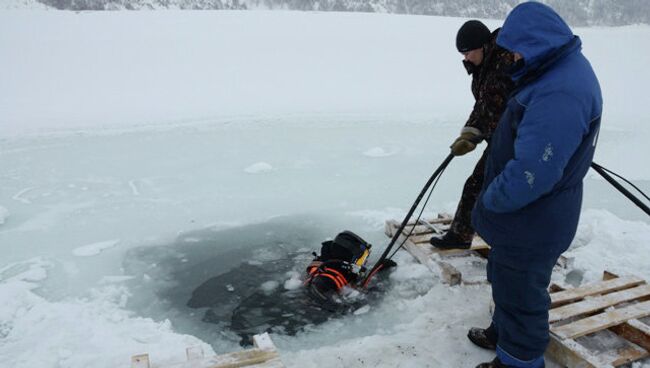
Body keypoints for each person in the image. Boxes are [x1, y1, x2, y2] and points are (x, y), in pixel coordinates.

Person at [469, 2, 603, 367]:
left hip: (534, 218)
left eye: (515, 49)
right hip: (524, 217)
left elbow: (533, 173)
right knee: (505, 277)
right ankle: (503, 334)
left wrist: (488, 200)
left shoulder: (560, 91)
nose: (511, 57)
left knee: (522, 297)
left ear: (537, 41)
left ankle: (518, 360)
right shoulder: (552, 70)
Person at [429, 20, 514, 250]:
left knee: (481, 185)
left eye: (468, 52)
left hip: (518, 139)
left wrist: (473, 135)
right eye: (462, 54)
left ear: (483, 46)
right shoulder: (484, 66)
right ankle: (464, 235)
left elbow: (493, 106)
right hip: (502, 138)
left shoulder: (501, 63)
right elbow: (482, 106)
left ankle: (467, 236)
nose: (465, 58)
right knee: (480, 185)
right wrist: (468, 133)